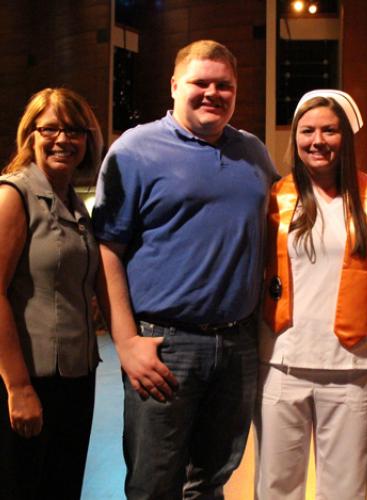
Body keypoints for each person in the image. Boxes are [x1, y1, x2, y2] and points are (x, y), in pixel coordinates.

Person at [92, 39, 277, 499]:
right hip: (164, 344)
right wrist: (127, 341)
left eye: (224, 85)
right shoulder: (134, 150)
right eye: (200, 83)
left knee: (211, 481)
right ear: (175, 85)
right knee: (154, 483)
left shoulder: (254, 154)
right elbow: (106, 249)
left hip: (237, 345)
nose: (212, 93)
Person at [254, 89, 367, 500]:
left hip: (354, 368)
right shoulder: (274, 196)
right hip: (281, 362)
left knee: (346, 490)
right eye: (307, 131)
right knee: (277, 486)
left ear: (346, 137)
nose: (317, 140)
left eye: (330, 130)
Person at [0, 87, 103, 500]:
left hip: (77, 379)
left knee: (62, 489)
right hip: (29, 380)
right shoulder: (14, 195)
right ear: (31, 135)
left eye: (75, 130)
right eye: (51, 128)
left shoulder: (74, 205)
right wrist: (18, 387)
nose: (63, 139)